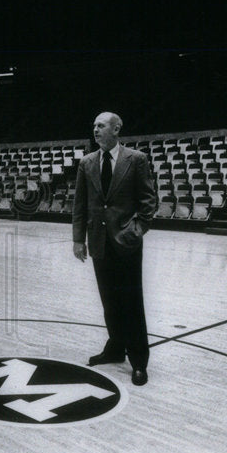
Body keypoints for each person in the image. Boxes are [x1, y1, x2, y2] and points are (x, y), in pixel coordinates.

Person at [72, 112, 157, 385]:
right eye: (94, 125)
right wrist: (77, 239)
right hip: (99, 241)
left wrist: (137, 230)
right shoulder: (86, 163)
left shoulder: (137, 159)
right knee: (109, 301)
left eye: (101, 125)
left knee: (132, 303)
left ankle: (139, 361)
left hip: (127, 242)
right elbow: (80, 204)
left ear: (117, 128)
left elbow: (149, 202)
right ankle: (115, 349)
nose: (95, 129)